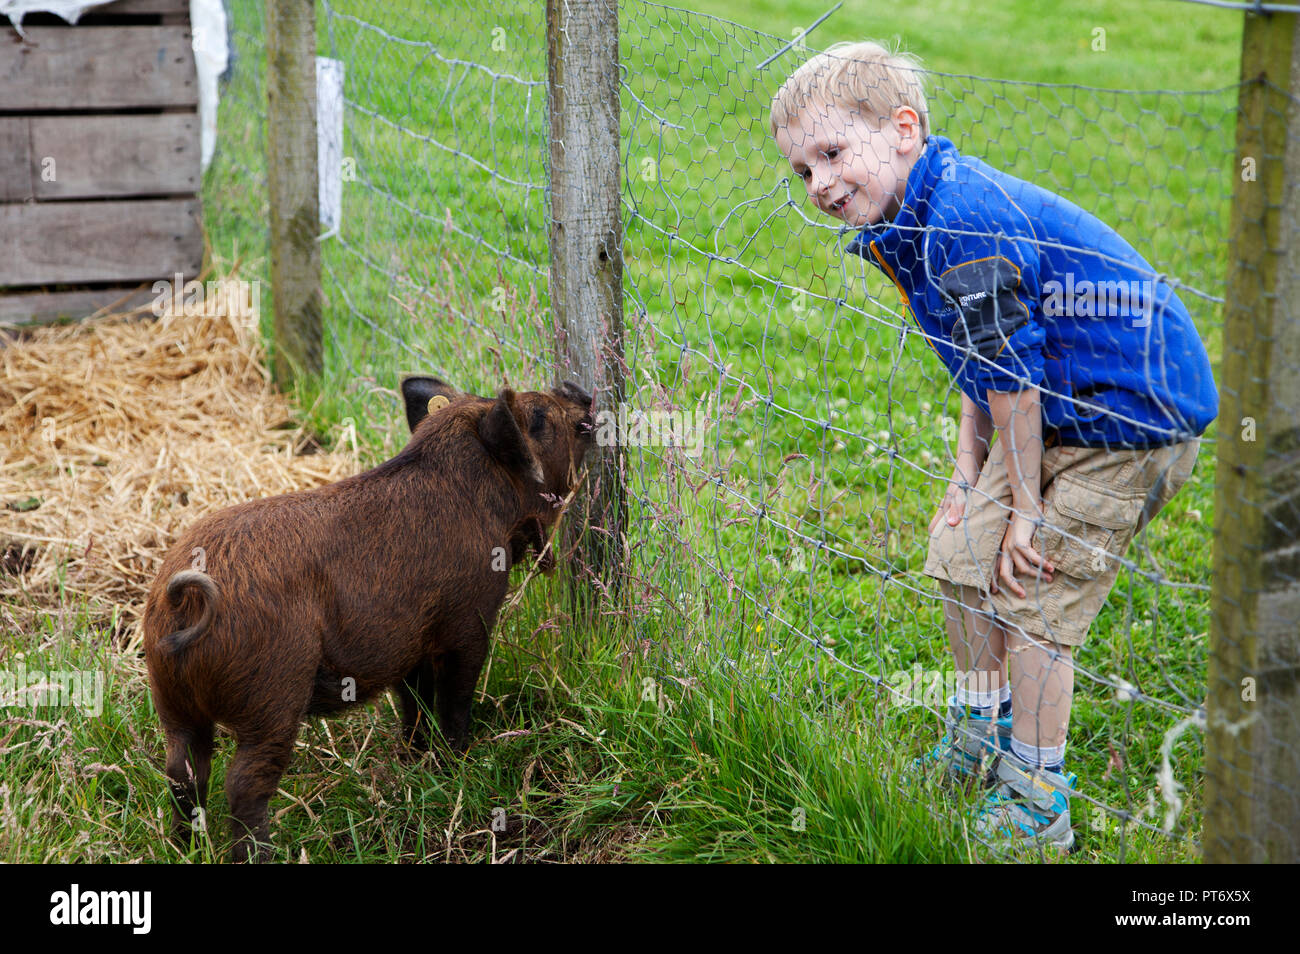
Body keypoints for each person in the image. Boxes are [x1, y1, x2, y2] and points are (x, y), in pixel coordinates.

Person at [770, 40, 1217, 850]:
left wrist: (1027, 512)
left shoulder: (960, 218)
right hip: (1045, 411)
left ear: (904, 128)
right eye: (803, 171)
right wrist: (969, 474)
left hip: (1129, 420)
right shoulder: (904, 223)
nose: (822, 184)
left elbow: (1012, 374)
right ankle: (979, 736)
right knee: (961, 552)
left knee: (1036, 592)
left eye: (833, 153)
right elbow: (978, 360)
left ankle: (1037, 796)